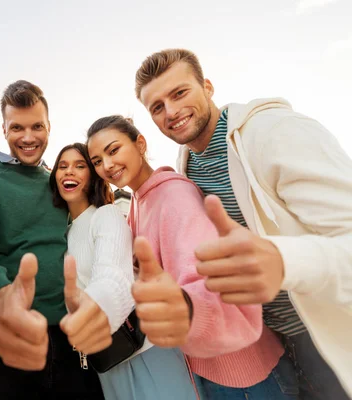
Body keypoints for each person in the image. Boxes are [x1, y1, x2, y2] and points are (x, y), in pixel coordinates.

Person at [134, 48, 352, 399]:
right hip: (270, 344)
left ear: (207, 86)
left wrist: (283, 262)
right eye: (157, 107)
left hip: (324, 333)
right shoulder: (188, 166)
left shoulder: (276, 132)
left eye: (179, 93)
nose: (171, 111)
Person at [87, 115, 298, 399]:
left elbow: (211, 282)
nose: (107, 165)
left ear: (140, 144)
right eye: (97, 160)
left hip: (243, 373)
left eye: (113, 150)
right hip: (204, 366)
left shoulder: (174, 195)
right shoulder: (139, 202)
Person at [0, 81, 104, 399]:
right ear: (3, 129)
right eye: (16, 127)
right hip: (4, 334)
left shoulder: (62, 180)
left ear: (49, 126)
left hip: (70, 338)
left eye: (37, 126)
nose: (28, 137)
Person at [48, 142, 193, 399]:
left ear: (93, 175)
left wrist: (95, 307)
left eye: (80, 166)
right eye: (63, 166)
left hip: (146, 347)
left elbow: (113, 275)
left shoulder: (106, 215)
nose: (69, 172)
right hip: (106, 358)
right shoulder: (65, 233)